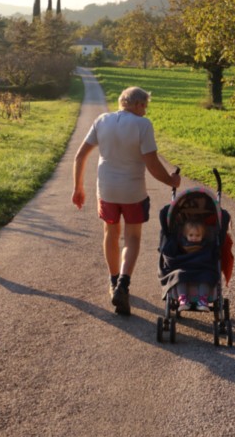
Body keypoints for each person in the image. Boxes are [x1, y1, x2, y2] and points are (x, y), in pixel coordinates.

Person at [72, 86, 181, 315]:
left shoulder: (102, 120)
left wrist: (78, 187)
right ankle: (123, 283)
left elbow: (80, 155)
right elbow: (152, 164)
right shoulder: (143, 125)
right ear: (138, 104)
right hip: (133, 192)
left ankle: (113, 281)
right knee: (132, 237)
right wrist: (171, 181)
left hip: (107, 191)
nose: (145, 111)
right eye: (145, 106)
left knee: (110, 233)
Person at [175, 219, 212, 312]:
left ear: (202, 235)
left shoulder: (205, 245)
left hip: (201, 267)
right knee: (178, 275)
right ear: (185, 235)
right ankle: (183, 299)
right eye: (191, 235)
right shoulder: (181, 244)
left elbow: (209, 256)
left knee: (206, 275)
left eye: (197, 235)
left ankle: (203, 300)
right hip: (186, 267)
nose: (194, 238)